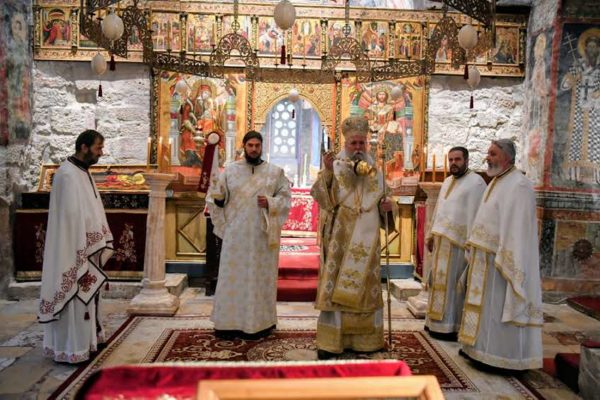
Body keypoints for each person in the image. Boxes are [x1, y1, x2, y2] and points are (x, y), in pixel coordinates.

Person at [311, 116, 394, 359]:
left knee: (366, 287)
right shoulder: (334, 167)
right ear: (345, 144)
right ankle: (331, 342)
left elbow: (385, 202)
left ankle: (366, 342)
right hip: (340, 238)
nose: (358, 148)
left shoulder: (376, 173)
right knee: (336, 286)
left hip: (368, 240)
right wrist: (327, 172)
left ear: (366, 144)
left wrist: (389, 208)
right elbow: (321, 197)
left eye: (361, 143)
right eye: (353, 143)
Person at [458, 139, 543, 371]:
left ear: (507, 157)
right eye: (488, 153)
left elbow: (518, 229)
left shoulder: (520, 185)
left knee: (497, 310)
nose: (488, 157)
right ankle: (479, 350)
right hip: (484, 259)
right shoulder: (497, 181)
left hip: (501, 260)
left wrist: (507, 258)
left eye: (493, 154)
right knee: (486, 311)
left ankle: (501, 357)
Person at [206, 131, 291, 338]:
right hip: (236, 236)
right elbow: (217, 197)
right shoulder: (230, 171)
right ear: (244, 146)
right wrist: (218, 199)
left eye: (257, 145)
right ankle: (228, 323)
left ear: (262, 147)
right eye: (250, 145)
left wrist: (270, 202)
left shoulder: (275, 172)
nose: (254, 149)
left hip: (261, 236)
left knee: (258, 278)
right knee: (232, 277)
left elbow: (286, 198)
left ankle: (260, 323)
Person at [38, 130, 114, 363]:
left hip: (86, 246)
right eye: (98, 148)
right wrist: (88, 241)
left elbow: (92, 209)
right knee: (75, 297)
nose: (101, 153)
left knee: (88, 298)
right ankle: (72, 348)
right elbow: (71, 217)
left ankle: (88, 341)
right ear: (84, 147)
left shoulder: (82, 171)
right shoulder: (67, 174)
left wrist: (97, 237)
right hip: (72, 248)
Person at [424, 147, 486, 338]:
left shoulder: (476, 183)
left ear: (466, 160)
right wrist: (431, 235)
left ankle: (450, 326)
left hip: (459, 244)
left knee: (454, 287)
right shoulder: (447, 181)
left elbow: (476, 215)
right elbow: (439, 211)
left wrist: (471, 245)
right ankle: (434, 322)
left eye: (457, 159)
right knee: (438, 283)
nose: (453, 163)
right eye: (450, 159)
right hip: (442, 242)